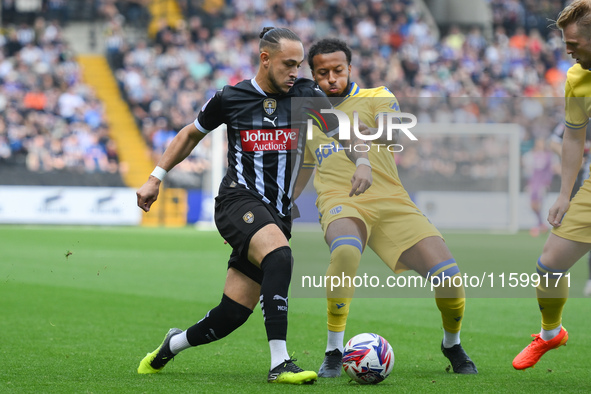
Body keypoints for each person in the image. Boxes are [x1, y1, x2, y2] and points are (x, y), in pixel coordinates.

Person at [135, 27, 372, 385]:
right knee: (280, 256)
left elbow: (344, 130)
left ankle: (172, 344)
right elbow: (189, 134)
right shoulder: (231, 97)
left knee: (230, 315)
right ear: (265, 59)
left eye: (299, 65)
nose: (296, 72)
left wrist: (364, 162)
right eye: (289, 64)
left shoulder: (307, 94)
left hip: (277, 214)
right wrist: (155, 176)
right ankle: (280, 362)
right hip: (237, 200)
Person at [294, 38, 478, 377]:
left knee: (450, 277)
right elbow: (306, 165)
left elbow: (396, 133)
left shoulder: (377, 95)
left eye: (338, 70)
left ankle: (452, 344)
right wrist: (287, 201)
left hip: (392, 200)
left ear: (350, 68)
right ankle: (334, 350)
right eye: (322, 73)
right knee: (346, 251)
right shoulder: (309, 114)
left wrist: (372, 131)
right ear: (313, 75)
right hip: (340, 199)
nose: (331, 78)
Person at [512, 0, 591, 370]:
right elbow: (574, 138)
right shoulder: (577, 78)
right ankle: (550, 334)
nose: (566, 49)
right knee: (549, 265)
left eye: (573, 41)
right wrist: (564, 194)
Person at [549, 123, 591, 296]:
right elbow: (553, 142)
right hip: (578, 186)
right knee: (551, 256)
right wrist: (573, 157)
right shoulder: (579, 118)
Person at [523, 138, 557, 237]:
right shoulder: (531, 155)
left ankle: (538, 225)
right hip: (533, 183)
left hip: (543, 183)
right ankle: (541, 224)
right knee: (532, 205)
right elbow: (528, 170)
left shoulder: (549, 156)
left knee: (538, 204)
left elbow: (553, 169)